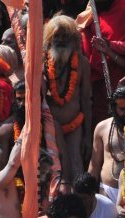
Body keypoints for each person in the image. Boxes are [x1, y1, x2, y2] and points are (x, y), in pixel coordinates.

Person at [43, 16, 92, 182]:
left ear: (73, 39)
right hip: (51, 126)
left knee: (75, 163)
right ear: (50, 38)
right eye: (57, 36)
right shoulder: (42, 63)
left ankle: (75, 204)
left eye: (65, 36)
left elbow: (86, 101)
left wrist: (87, 136)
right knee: (54, 168)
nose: (61, 40)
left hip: (75, 124)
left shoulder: (83, 64)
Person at [88, 85, 125, 203]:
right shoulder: (102, 128)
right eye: (122, 109)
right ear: (114, 108)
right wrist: (87, 195)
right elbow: (94, 166)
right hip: (107, 192)